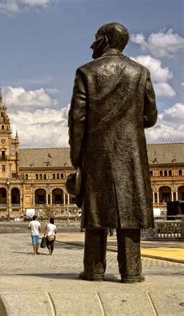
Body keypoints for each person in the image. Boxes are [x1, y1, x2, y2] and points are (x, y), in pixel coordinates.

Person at [68, 22, 157, 283]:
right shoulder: (140, 72)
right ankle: (131, 270)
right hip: (131, 154)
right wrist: (128, 123)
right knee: (129, 213)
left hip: (97, 154)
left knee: (95, 212)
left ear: (106, 39)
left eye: (95, 39)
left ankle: (94, 269)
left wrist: (76, 156)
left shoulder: (86, 72)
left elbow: (77, 119)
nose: (92, 44)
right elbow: (150, 117)